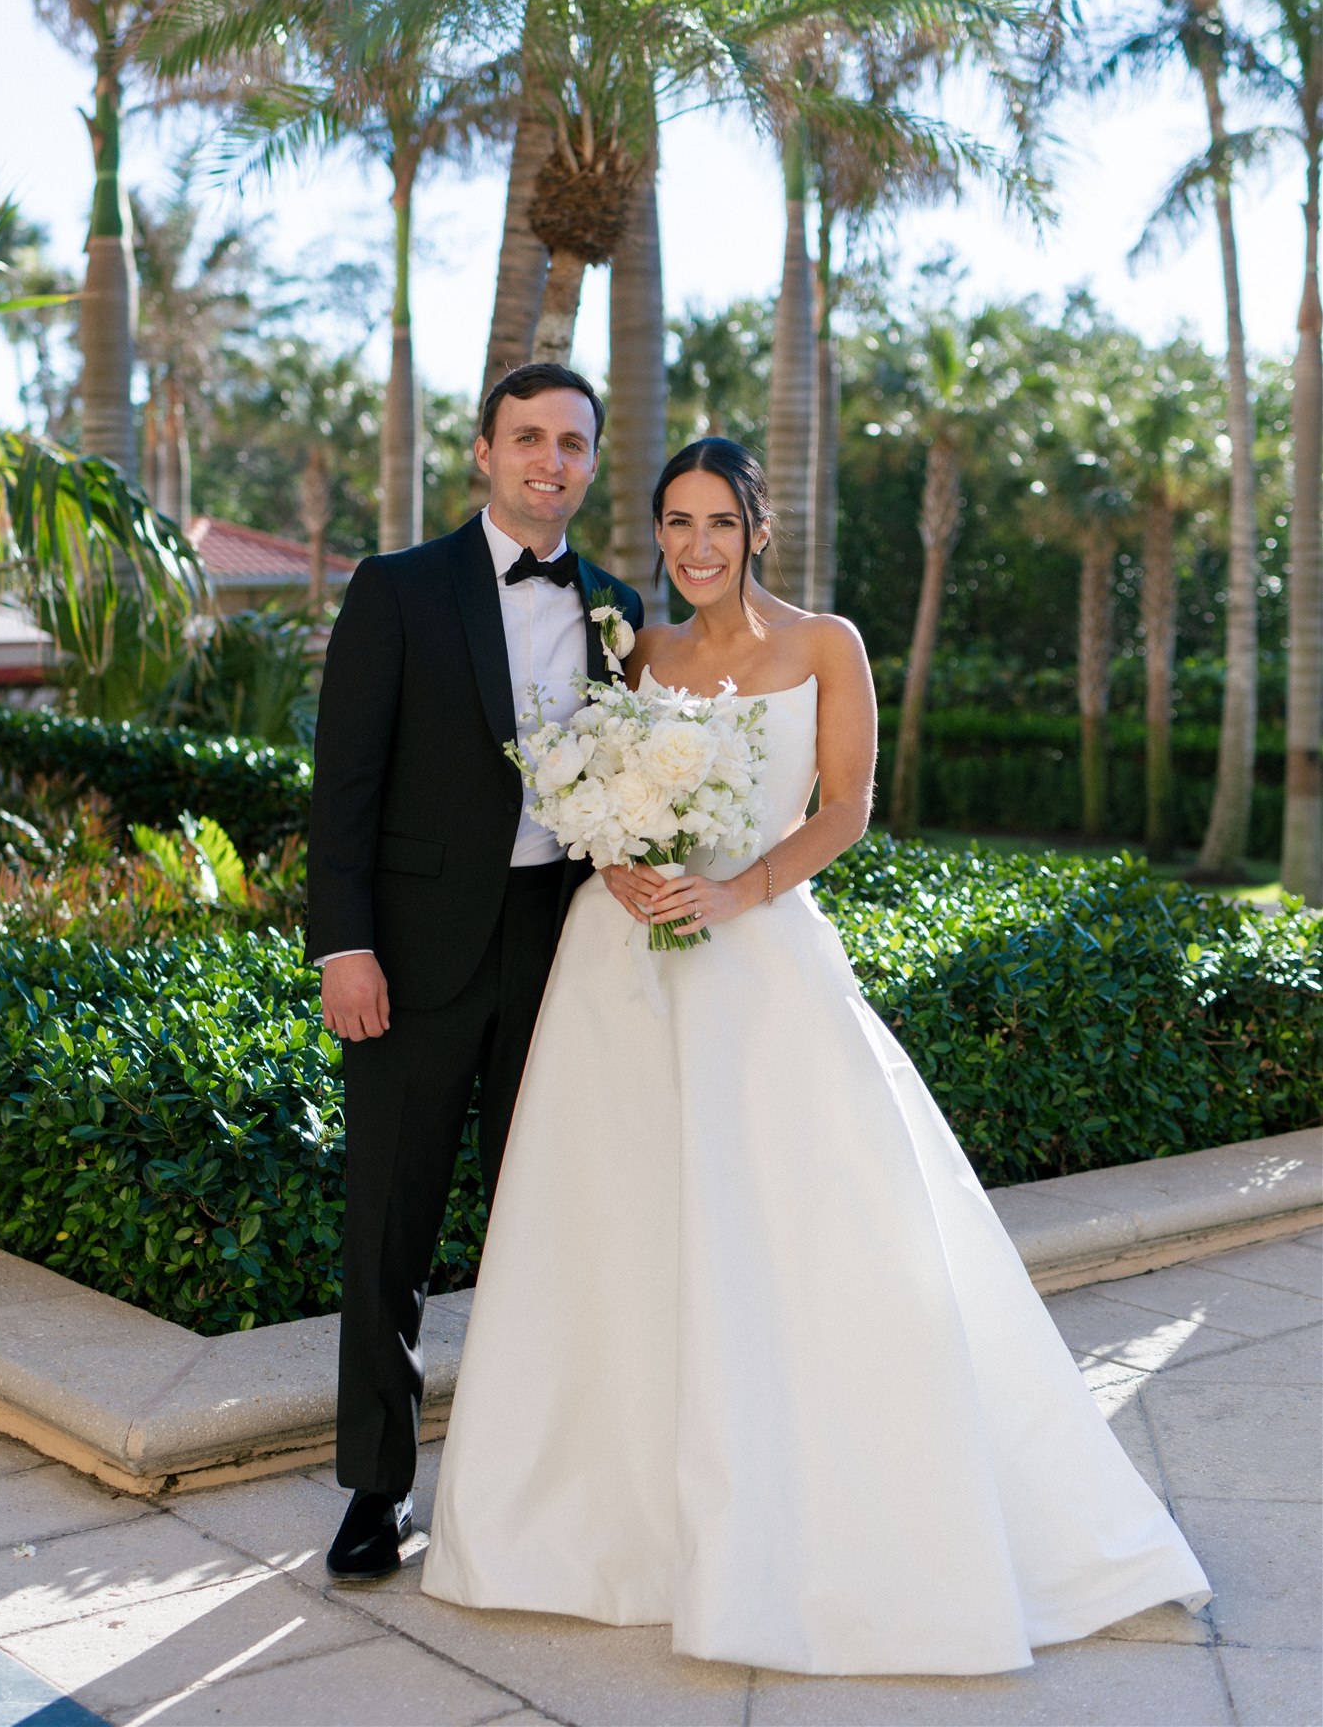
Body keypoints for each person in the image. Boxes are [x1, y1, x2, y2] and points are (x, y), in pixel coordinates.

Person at [420, 436, 1210, 1676]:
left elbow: (846, 803)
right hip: (617, 968)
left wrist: (739, 892)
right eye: (674, 524)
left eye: (717, 523)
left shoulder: (823, 644)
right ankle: (599, 1530)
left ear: (756, 526)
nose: (693, 546)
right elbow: (594, 787)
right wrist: (620, 859)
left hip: (756, 956)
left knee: (791, 1225)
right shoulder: (638, 648)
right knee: (616, 1231)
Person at [306, 361, 644, 1584]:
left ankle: (520, 1488)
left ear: (590, 461)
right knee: (387, 1229)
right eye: (527, 438)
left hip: (558, 949)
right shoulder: (396, 589)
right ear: (485, 452)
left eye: (571, 443)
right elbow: (341, 784)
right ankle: (372, 1489)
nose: (549, 460)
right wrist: (344, 943)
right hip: (407, 953)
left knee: (537, 1223)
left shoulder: (616, 604)